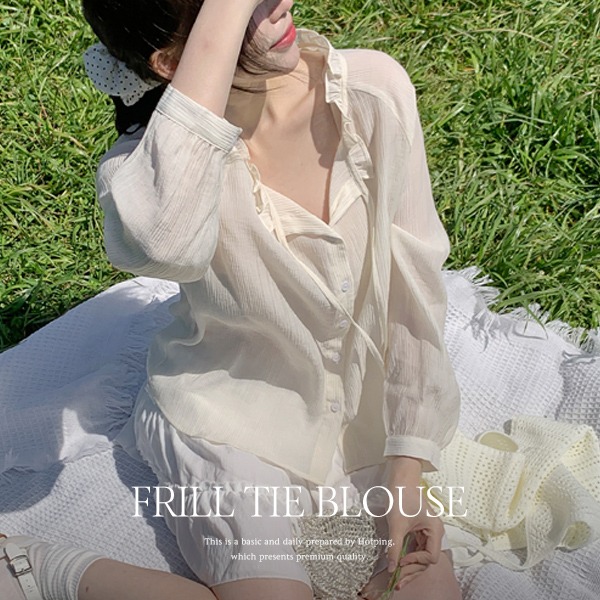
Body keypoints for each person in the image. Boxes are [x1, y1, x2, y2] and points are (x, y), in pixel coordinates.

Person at [1, 0, 463, 598]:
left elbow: (412, 288)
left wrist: (407, 464)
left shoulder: (371, 90)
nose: (277, 3)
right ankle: (36, 566)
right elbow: (166, 242)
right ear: (171, 59)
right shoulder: (143, 175)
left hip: (365, 420)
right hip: (229, 417)